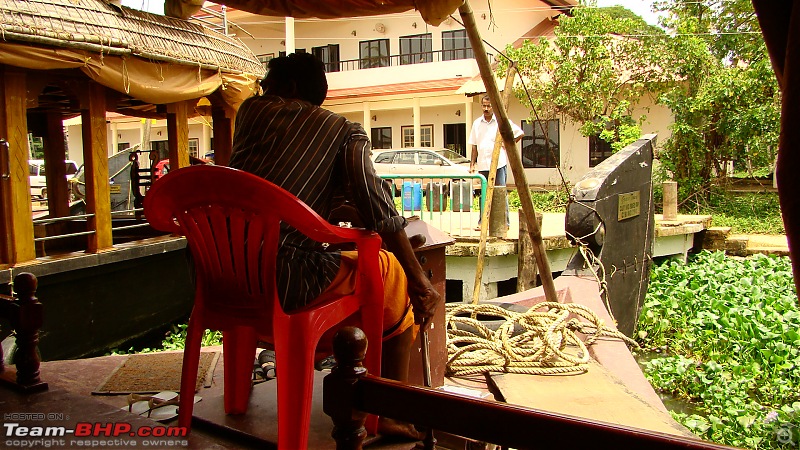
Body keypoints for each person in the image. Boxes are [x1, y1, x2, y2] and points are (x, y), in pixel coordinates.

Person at [228, 53, 439, 440]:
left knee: (362, 264)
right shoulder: (344, 131)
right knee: (390, 271)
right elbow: (378, 206)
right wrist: (421, 282)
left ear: (289, 88)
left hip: (223, 272)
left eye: (267, 84)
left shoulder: (249, 113)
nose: (262, 92)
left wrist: (336, 205)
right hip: (284, 280)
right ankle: (386, 411)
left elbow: (275, 188)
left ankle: (237, 397)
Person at [467, 94, 524, 229]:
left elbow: (519, 133)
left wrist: (508, 144)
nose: (486, 109)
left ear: (493, 107)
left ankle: (505, 223)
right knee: (485, 194)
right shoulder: (477, 123)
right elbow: (474, 146)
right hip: (483, 164)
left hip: (499, 163)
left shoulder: (500, 121)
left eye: (488, 106)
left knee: (500, 193)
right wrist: (472, 164)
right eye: (484, 106)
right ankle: (483, 222)